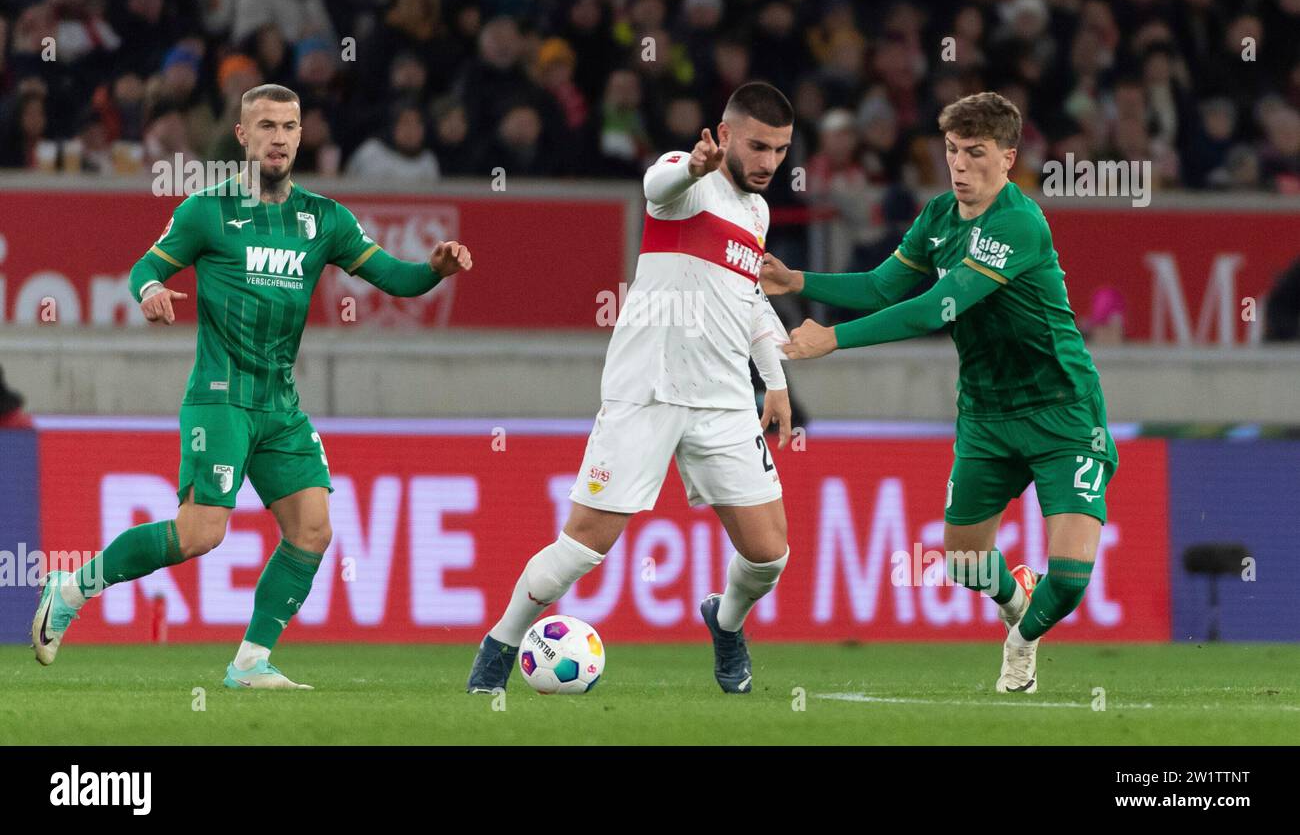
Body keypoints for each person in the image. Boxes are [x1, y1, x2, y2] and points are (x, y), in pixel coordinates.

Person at [31, 84, 473, 689]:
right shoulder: (206, 211)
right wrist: (150, 291)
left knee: (313, 527)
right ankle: (73, 587)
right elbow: (146, 266)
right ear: (242, 136)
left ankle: (249, 663)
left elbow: (394, 278)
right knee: (201, 533)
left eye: (290, 126)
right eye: (266, 126)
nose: (280, 137)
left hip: (279, 404)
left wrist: (433, 271)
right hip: (221, 396)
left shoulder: (326, 219)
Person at [765, 91, 1118, 694]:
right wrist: (798, 279)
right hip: (985, 414)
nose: (958, 165)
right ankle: (1015, 597)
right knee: (965, 562)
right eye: (951, 150)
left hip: (1063, 410)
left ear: (1008, 159)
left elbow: (936, 307)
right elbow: (883, 287)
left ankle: (1022, 639)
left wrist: (833, 339)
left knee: (1072, 576)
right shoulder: (936, 217)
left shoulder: (1018, 223)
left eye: (975, 153)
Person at [466, 82, 795, 695]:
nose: (769, 162)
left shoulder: (757, 211)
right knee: (585, 545)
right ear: (723, 136)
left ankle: (726, 624)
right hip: (648, 390)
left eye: (779, 150)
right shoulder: (687, 179)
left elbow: (750, 297)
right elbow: (657, 184)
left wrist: (773, 380)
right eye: (757, 146)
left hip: (724, 398)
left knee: (769, 555)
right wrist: (694, 166)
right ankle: (500, 646)